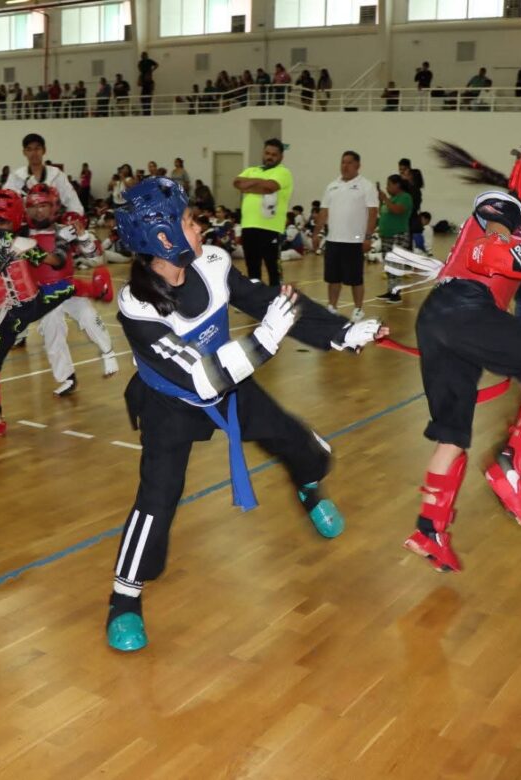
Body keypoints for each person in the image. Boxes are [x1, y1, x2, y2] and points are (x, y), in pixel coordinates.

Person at [104, 177, 388, 652]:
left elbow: (272, 303)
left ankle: (308, 485)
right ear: (164, 237)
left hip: (232, 384)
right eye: (191, 221)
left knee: (300, 444)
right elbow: (199, 379)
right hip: (171, 404)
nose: (202, 226)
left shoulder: (213, 264)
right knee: (157, 497)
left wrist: (342, 333)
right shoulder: (138, 306)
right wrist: (266, 340)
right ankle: (124, 598)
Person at [398, 142, 521, 573]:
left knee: (453, 434)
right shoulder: (502, 205)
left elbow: (478, 255)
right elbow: (490, 251)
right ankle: (512, 466)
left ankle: (429, 531)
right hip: (465, 310)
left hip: (439, 320)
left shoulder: (518, 215)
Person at [0, 189, 71, 435]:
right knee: (66, 287)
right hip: (32, 305)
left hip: (7, 316)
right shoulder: (26, 245)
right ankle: (97, 289)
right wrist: (62, 242)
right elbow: (55, 262)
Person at [23, 185, 118, 395]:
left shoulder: (65, 230)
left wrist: (83, 238)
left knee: (88, 316)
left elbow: (96, 260)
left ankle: (109, 352)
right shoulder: (22, 234)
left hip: (66, 286)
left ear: (54, 207)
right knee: (52, 332)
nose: (39, 211)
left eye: (44, 206)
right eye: (34, 206)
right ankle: (67, 377)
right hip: (42, 294)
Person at [312, 151, 377, 319]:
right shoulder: (332, 186)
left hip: (355, 241)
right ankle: (332, 307)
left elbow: (372, 213)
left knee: (355, 279)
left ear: (357, 165)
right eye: (343, 162)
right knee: (333, 278)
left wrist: (368, 237)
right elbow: (324, 211)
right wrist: (316, 234)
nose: (345, 166)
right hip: (333, 240)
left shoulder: (366, 186)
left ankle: (357, 309)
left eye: (349, 163)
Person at [233, 138, 292, 286]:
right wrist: (259, 183)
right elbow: (237, 183)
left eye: (274, 154)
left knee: (273, 268)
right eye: (267, 153)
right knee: (252, 267)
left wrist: (250, 185)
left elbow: (270, 187)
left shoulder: (283, 172)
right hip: (248, 226)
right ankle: (256, 302)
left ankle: (277, 300)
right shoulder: (252, 169)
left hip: (270, 228)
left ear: (281, 157)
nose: (270, 157)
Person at [3, 133, 85, 216]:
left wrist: (74, 218)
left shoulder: (57, 175)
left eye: (37, 148)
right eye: (29, 149)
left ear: (44, 150)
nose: (34, 153)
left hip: (52, 225)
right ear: (24, 152)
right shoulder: (16, 176)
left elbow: (73, 202)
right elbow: (5, 201)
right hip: (24, 224)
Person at [374, 174, 412, 301]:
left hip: (398, 235)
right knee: (389, 265)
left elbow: (397, 210)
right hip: (387, 236)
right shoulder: (391, 199)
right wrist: (381, 200)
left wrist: (385, 198)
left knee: (396, 264)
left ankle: (396, 293)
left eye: (389, 184)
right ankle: (390, 291)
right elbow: (383, 212)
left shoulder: (405, 197)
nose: (387, 187)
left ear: (397, 185)